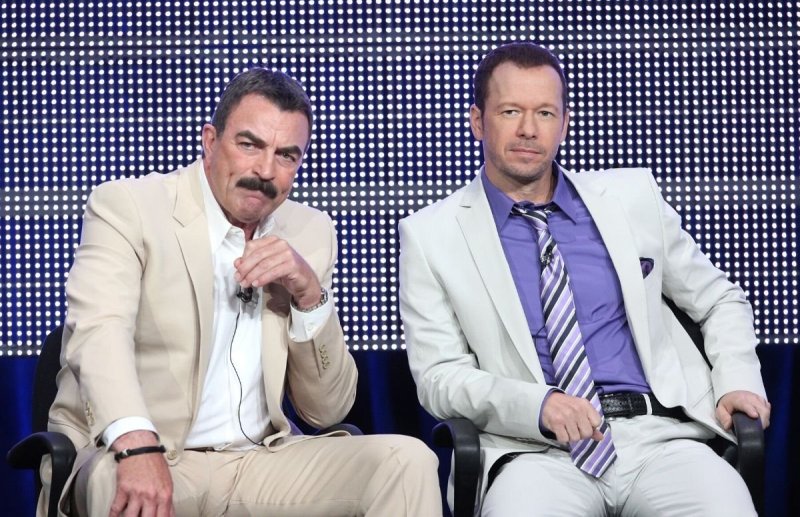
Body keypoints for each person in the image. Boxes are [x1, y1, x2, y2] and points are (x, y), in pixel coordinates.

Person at [45, 68, 442, 517]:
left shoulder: (309, 230)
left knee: (406, 462)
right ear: (210, 141)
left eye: (286, 155)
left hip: (260, 461)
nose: (265, 171)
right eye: (250, 145)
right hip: (152, 453)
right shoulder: (131, 206)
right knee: (118, 482)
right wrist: (135, 442)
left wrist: (309, 296)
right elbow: (99, 332)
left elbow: (327, 410)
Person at [399, 42, 771, 516]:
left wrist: (737, 381)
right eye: (511, 111)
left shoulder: (631, 198)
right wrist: (538, 405)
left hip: (660, 439)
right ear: (478, 121)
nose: (529, 129)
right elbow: (439, 378)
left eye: (545, 113)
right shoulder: (431, 235)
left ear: (565, 124)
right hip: (534, 453)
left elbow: (720, 299)